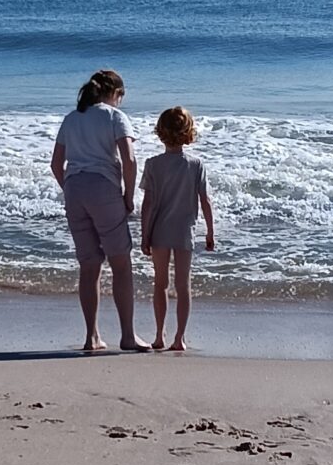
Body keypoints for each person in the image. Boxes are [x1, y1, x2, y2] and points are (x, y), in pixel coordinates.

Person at [50, 68, 142, 353]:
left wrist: (73, 191)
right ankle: (127, 335)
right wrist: (128, 195)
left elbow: (56, 164)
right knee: (120, 263)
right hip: (103, 187)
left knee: (89, 266)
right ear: (115, 93)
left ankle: (91, 337)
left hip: (75, 187)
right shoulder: (115, 117)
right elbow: (129, 160)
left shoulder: (72, 118)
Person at [139, 106, 215, 353]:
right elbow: (205, 201)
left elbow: (148, 204)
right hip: (185, 231)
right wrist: (210, 232)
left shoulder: (153, 164)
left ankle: (159, 335)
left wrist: (144, 234)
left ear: (160, 133)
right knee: (183, 286)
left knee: (160, 283)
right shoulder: (195, 165)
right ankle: (179, 337)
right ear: (188, 132)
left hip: (159, 230)